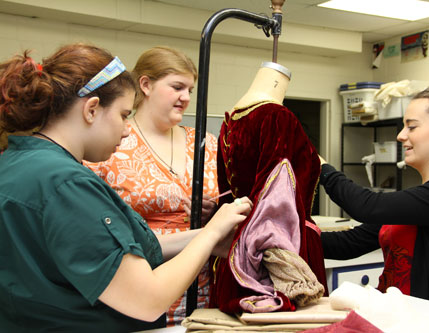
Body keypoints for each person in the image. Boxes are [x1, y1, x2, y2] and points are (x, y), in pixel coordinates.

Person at [0, 43, 252, 331]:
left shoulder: (14, 163)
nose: (126, 128)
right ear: (92, 109)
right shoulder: (67, 183)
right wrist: (212, 234)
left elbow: (115, 248)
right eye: (122, 114)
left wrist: (206, 235)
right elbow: (147, 300)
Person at [319, 83, 429, 306]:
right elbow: (350, 243)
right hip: (397, 318)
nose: (401, 136)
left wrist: (323, 169)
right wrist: (285, 238)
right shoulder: (423, 200)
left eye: (411, 127)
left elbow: (367, 207)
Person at [85, 46, 219, 325]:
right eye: (177, 87)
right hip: (140, 288)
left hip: (204, 288)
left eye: (190, 90)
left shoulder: (206, 144)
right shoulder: (112, 142)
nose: (186, 97)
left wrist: (215, 212)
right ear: (145, 85)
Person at [210, 62, 327, 313]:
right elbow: (276, 198)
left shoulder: (230, 121)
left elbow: (226, 196)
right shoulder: (277, 116)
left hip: (234, 247)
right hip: (280, 247)